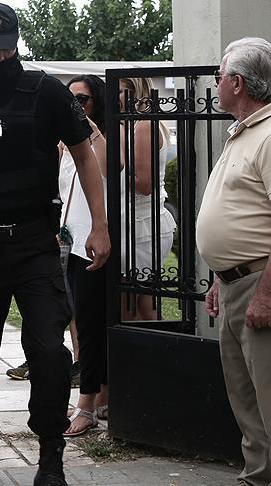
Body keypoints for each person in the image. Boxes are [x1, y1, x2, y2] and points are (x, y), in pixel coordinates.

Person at [0, 3, 110, 486]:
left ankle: (51, 457)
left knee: (50, 355)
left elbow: (84, 155)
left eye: (7, 48)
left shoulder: (48, 91)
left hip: (35, 241)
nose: (0, 57)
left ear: (17, 41)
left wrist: (99, 225)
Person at [197, 37, 271, 486]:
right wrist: (220, 277)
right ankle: (258, 476)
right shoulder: (244, 131)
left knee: (266, 393)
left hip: (259, 285)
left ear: (238, 83)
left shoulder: (269, 135)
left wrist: (265, 293)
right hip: (235, 284)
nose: (217, 83)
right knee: (245, 396)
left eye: (219, 75)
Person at [59, 74, 110, 436]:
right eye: (70, 100)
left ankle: (87, 403)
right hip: (70, 242)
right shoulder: (64, 144)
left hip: (95, 242)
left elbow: (108, 169)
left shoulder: (102, 139)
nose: (76, 106)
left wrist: (90, 131)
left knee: (92, 325)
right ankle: (101, 395)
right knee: (77, 321)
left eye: (83, 99)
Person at [118, 77, 177, 321]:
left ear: (136, 92)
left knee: (128, 305)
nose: (113, 98)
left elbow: (144, 184)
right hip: (135, 222)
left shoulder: (144, 125)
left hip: (142, 225)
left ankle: (135, 345)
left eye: (119, 92)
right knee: (141, 302)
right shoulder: (134, 124)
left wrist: (108, 173)